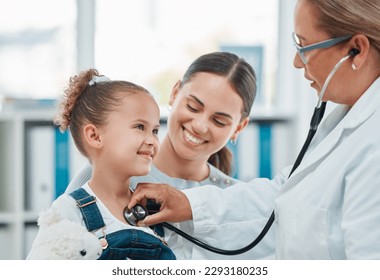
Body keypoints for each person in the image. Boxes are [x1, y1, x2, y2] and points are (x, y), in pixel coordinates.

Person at [128, 0, 380, 259]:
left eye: (304, 46)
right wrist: (189, 203)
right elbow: (280, 194)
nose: (296, 61)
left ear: (356, 50)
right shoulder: (346, 121)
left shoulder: (372, 141)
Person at [65, 52, 277, 259]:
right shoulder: (110, 174)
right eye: (193, 107)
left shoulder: (236, 200)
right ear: (175, 93)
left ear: (239, 127)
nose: (200, 126)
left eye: (219, 121)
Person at [27, 69, 176, 260]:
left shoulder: (156, 211)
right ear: (95, 136)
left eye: (155, 130)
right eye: (140, 127)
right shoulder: (67, 211)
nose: (152, 141)